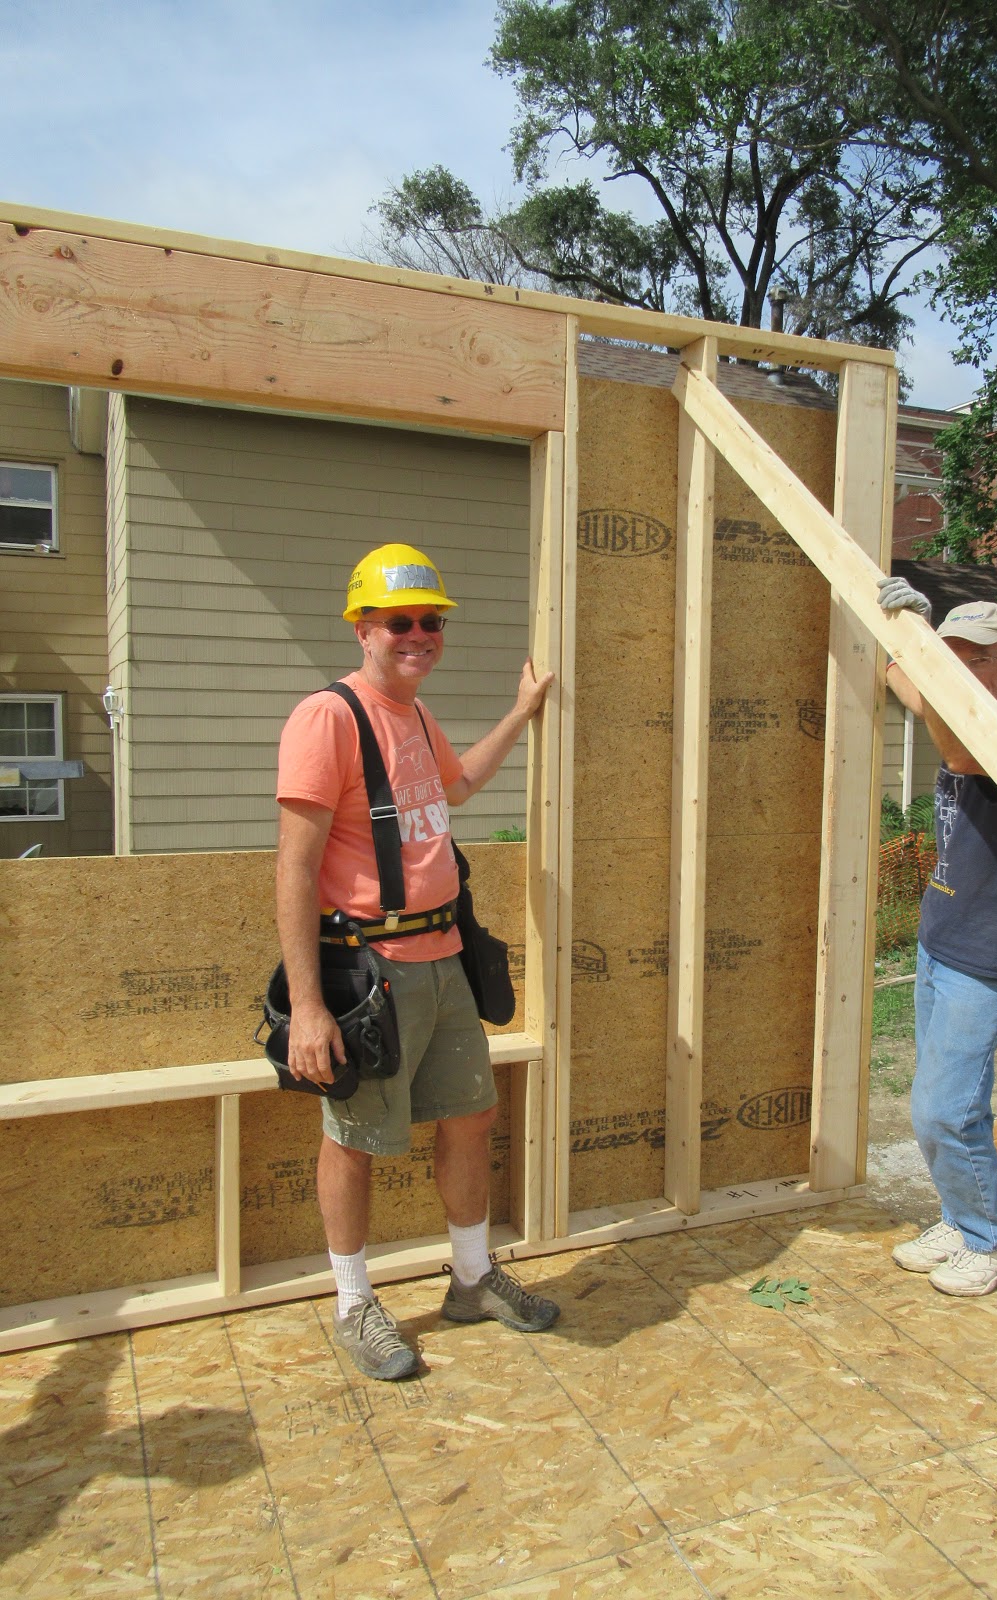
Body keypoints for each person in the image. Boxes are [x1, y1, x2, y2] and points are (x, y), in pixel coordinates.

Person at [275, 541, 559, 1380]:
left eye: (431, 621)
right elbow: (294, 866)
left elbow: (458, 787)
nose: (419, 634)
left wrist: (522, 712)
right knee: (355, 1141)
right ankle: (355, 1303)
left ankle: (471, 1279)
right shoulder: (328, 717)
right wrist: (308, 1006)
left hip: (443, 961)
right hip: (369, 973)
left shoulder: (415, 714)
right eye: (400, 621)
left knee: (470, 1117)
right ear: (363, 627)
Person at [876, 579, 997, 1296]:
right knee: (957, 1104)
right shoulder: (957, 704)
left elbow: (960, 757)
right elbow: (898, 678)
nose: (962, 666)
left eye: (977, 657)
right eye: (952, 654)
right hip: (941, 939)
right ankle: (962, 1218)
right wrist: (899, 627)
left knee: (941, 1109)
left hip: (990, 957)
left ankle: (996, 1242)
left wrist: (928, 664)